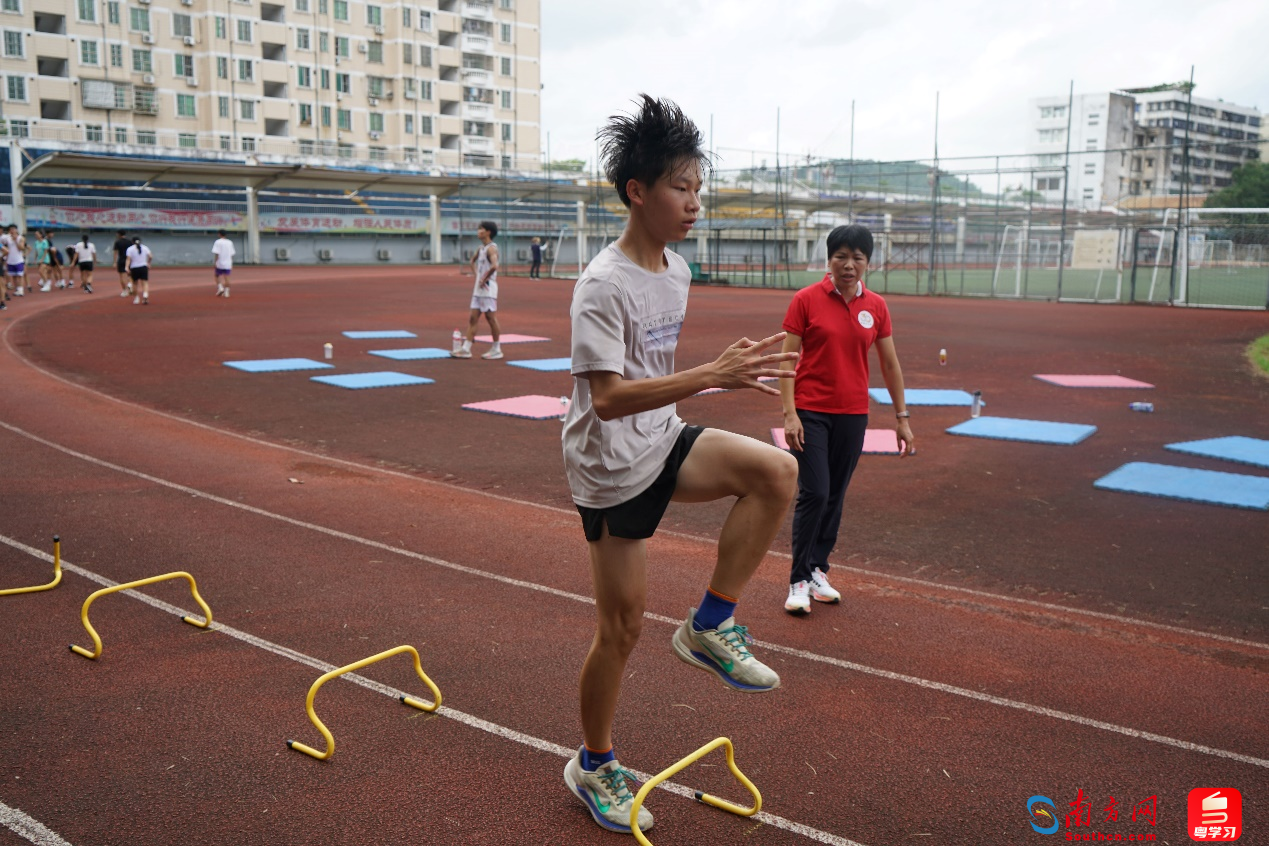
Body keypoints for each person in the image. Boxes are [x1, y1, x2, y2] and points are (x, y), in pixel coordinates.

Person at [560, 95, 799, 836]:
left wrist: (700, 383)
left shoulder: (677, 270)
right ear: (637, 191)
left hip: (661, 439)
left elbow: (650, 391)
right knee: (621, 629)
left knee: (775, 473)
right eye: (680, 189)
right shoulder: (602, 285)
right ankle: (593, 766)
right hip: (609, 468)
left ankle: (709, 625)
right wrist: (709, 376)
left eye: (700, 189)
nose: (694, 204)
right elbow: (605, 400)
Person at [778, 224, 916, 615]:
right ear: (830, 259)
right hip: (811, 411)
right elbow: (788, 361)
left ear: (867, 263)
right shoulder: (806, 300)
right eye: (841, 256)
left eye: (857, 257)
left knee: (835, 495)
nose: (849, 264)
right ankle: (798, 579)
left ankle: (819, 567)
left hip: (853, 414)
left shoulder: (876, 307)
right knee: (816, 491)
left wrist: (901, 418)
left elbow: (889, 363)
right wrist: (790, 414)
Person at [450, 220, 503, 360]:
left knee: (490, 318)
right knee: (473, 317)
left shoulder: (492, 248)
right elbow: (471, 261)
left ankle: (497, 348)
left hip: (488, 289)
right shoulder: (481, 248)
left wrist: (484, 278)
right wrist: (476, 276)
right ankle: (466, 349)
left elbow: (495, 266)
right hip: (478, 289)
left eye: (481, 229)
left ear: (488, 232)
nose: (478, 231)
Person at [125, 236, 153, 305]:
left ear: (132, 242)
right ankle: (145, 296)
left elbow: (128, 259)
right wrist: (148, 263)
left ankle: (136, 298)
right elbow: (151, 256)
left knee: (135, 283)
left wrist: (126, 267)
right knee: (145, 283)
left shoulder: (130, 249)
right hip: (143, 267)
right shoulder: (145, 247)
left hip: (134, 268)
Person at [4, 224, 27, 297]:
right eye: (11, 229)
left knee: (20, 275)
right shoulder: (7, 238)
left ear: (16, 230)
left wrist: (15, 240)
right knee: (13, 276)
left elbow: (21, 248)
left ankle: (21, 290)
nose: (12, 231)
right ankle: (17, 289)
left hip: (19, 260)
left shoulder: (21, 238)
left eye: (13, 229)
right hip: (10, 260)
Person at [211, 229, 235, 297]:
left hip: (220, 262)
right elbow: (232, 254)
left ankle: (220, 288)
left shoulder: (218, 242)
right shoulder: (230, 242)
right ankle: (227, 292)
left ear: (219, 234)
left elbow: (216, 253)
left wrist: (215, 262)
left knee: (216, 275)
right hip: (228, 263)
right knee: (227, 277)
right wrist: (231, 262)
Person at [112, 230, 131, 296]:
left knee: (122, 276)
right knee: (130, 275)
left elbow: (115, 253)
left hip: (121, 260)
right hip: (129, 260)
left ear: (119, 234)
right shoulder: (129, 241)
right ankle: (129, 284)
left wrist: (114, 262)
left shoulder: (117, 242)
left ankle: (124, 290)